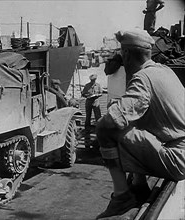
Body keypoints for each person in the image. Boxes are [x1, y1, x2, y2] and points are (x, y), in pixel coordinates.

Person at [95, 28, 185, 219]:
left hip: (178, 160)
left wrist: (114, 110)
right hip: (180, 151)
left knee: (105, 129)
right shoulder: (164, 70)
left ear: (126, 54)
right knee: (134, 120)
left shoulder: (142, 78)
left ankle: (121, 197)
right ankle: (139, 184)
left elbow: (110, 122)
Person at [82, 73, 102, 147]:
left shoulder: (98, 85)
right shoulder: (87, 85)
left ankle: (99, 128)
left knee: (98, 116)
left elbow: (101, 93)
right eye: (92, 80)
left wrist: (97, 95)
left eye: (94, 80)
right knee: (88, 116)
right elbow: (83, 94)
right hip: (89, 102)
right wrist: (88, 95)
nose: (93, 81)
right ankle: (87, 128)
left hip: (96, 101)